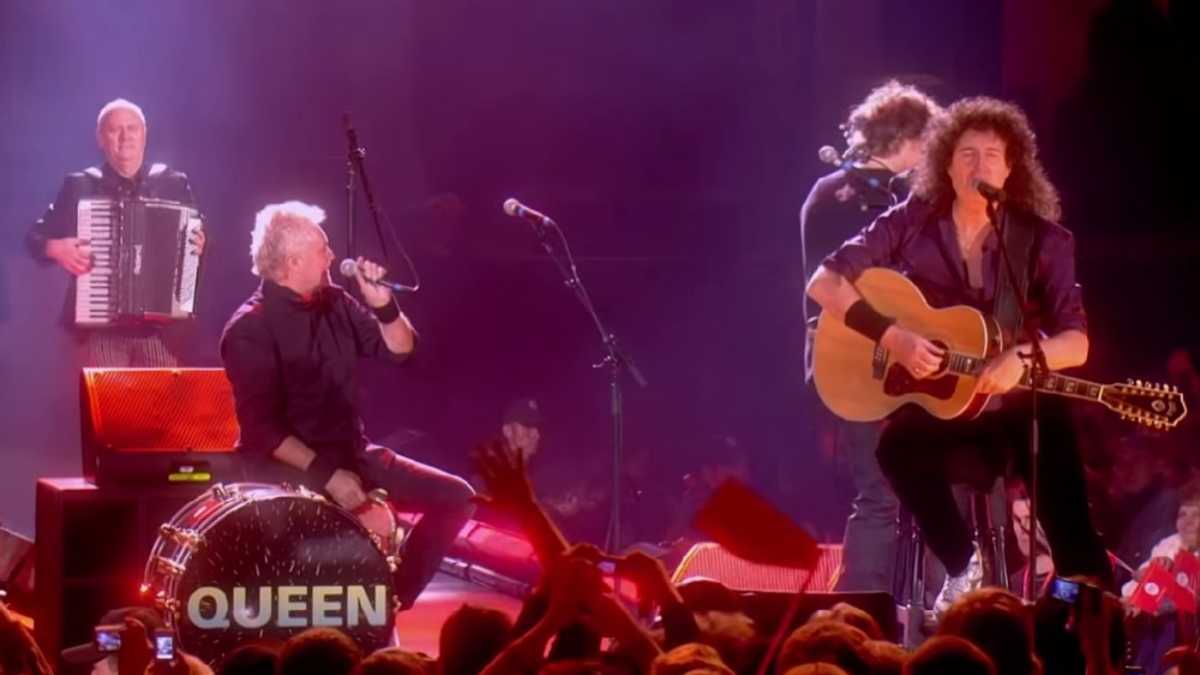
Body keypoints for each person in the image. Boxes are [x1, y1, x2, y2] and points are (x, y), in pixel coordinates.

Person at [807, 97, 1113, 618]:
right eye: (966, 154)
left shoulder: (1044, 241)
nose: (978, 166)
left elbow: (1076, 343)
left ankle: (1085, 609)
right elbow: (824, 282)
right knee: (896, 449)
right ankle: (961, 564)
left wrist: (1020, 358)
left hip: (1016, 406)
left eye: (992, 155)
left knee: (1064, 498)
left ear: (1011, 168)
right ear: (944, 165)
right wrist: (895, 338)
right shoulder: (912, 220)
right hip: (946, 407)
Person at [220, 201, 474, 609]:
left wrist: (384, 306)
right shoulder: (250, 328)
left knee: (458, 497)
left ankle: (390, 599)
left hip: (350, 450)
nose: (333, 257)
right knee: (331, 533)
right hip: (288, 468)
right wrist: (330, 476)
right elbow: (263, 431)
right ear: (293, 261)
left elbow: (401, 351)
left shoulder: (335, 302)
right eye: (323, 249)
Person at [800, 80, 941, 594]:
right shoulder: (846, 196)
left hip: (874, 363)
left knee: (901, 492)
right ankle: (868, 615)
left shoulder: (869, 195)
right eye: (931, 142)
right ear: (910, 138)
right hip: (858, 360)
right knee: (883, 494)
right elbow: (831, 284)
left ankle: (899, 612)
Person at [26, 98, 206, 366]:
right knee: (107, 394)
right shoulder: (80, 185)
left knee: (159, 395)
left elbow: (199, 238)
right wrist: (55, 248)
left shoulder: (173, 183)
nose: (125, 136)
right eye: (114, 129)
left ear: (144, 134)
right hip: (100, 330)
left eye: (132, 128)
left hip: (160, 332)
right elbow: (34, 237)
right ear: (100, 138)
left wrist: (200, 243)